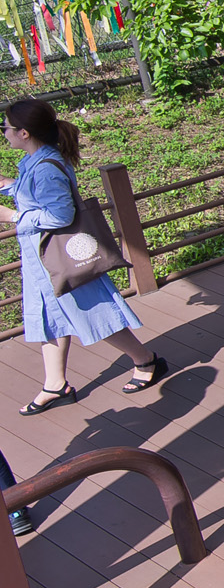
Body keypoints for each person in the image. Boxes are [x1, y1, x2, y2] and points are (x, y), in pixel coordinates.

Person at [1, 98, 168, 413]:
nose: (3, 132)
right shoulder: (36, 160)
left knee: (92, 315)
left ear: (24, 133)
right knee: (50, 319)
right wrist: (10, 185)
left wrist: (11, 216)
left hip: (58, 258)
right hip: (44, 260)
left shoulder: (45, 168)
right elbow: (37, 197)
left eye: (5, 127)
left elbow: (60, 215)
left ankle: (147, 361)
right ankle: (55, 384)